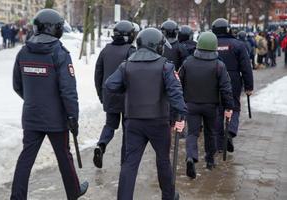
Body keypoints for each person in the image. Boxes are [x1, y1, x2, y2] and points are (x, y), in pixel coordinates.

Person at [10, 9, 88, 200]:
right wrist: (72, 116)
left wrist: (34, 101)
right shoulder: (59, 52)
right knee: (64, 157)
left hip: (32, 115)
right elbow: (68, 90)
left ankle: (17, 197)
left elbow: (17, 85)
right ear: (54, 29)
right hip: (56, 119)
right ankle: (73, 192)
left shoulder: (24, 51)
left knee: (25, 159)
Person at [105, 27, 187, 200]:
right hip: (158, 121)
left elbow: (110, 85)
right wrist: (181, 116)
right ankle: (168, 196)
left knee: (130, 164)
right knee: (163, 160)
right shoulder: (165, 66)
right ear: (157, 46)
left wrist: (129, 89)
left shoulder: (126, 65)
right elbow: (175, 92)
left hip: (133, 122)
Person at [179, 32, 234, 179]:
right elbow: (226, 88)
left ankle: (191, 157)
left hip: (191, 104)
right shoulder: (219, 65)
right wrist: (229, 107)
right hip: (211, 106)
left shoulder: (187, 62)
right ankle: (210, 161)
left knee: (192, 133)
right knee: (211, 133)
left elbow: (179, 83)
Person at [93, 20, 136, 168]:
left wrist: (101, 95)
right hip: (127, 97)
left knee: (110, 125)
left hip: (109, 95)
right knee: (127, 129)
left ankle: (101, 145)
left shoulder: (105, 50)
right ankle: (124, 161)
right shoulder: (131, 50)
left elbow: (97, 74)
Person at [212, 18, 253, 154]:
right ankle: (230, 131)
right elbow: (246, 67)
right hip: (233, 79)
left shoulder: (210, 43)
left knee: (218, 109)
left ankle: (219, 144)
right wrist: (249, 86)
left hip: (214, 78)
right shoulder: (238, 45)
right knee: (234, 107)